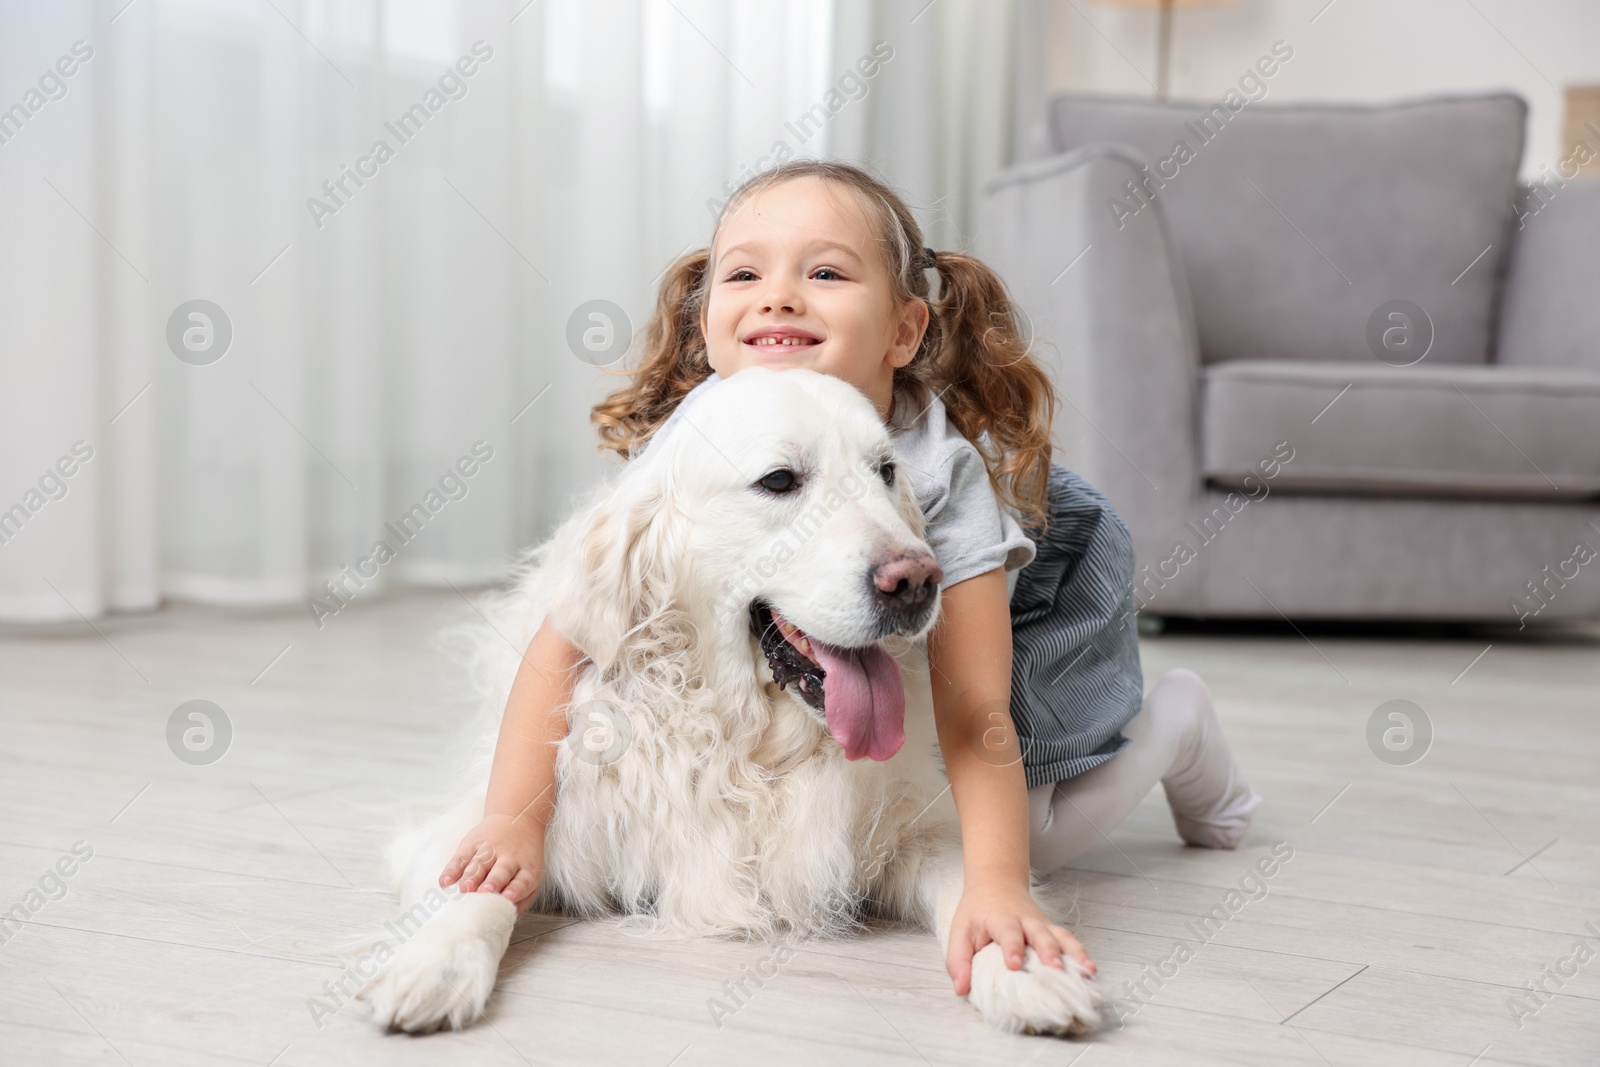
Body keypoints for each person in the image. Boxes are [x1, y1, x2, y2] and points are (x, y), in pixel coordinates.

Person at [438, 159, 1260, 999]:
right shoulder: (700, 434)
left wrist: (998, 887)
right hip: (843, 608)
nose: (780, 296)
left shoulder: (943, 477)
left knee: (1022, 838)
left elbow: (977, 714)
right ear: (708, 316)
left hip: (1029, 611)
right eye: (745, 273)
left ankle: (1177, 725)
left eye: (824, 272)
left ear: (904, 332)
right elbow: (560, 642)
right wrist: (513, 820)